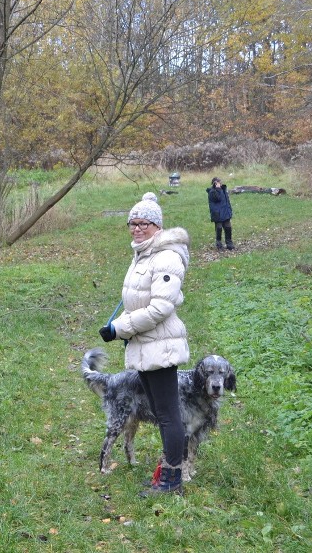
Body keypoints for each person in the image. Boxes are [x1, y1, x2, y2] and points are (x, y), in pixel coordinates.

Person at [98, 193, 190, 496]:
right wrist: (117, 325)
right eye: (133, 223)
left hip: (160, 348)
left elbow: (159, 309)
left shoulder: (166, 257)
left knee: (167, 415)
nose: (137, 229)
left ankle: (172, 479)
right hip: (145, 346)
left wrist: (120, 329)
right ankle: (167, 472)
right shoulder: (143, 254)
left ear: (157, 227)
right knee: (161, 412)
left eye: (144, 223)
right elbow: (137, 301)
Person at [206, 177, 234, 250]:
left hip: (225, 212)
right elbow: (217, 198)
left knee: (228, 227)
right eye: (219, 182)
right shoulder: (212, 192)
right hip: (217, 214)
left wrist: (229, 210)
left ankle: (229, 243)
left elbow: (227, 201)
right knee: (219, 228)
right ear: (215, 183)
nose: (221, 184)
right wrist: (218, 189)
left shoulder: (223, 189)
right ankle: (219, 244)